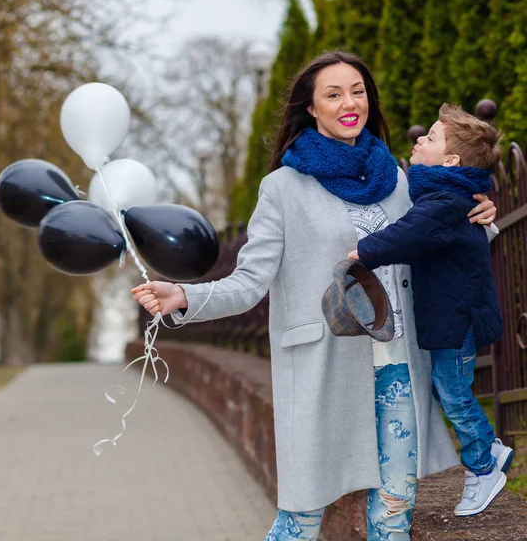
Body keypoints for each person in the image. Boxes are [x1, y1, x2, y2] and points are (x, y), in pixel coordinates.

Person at [132, 51, 497, 541]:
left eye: (358, 91)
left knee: (394, 515)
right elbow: (248, 284)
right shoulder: (282, 189)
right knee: (301, 518)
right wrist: (184, 296)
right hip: (323, 369)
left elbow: (442, 242)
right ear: (311, 107)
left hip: (399, 368)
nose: (350, 103)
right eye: (334, 94)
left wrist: (483, 219)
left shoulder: (399, 178)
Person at [348, 104, 513, 518]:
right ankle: (488, 447)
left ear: (452, 160)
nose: (419, 139)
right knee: (450, 389)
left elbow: (411, 233)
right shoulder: (445, 194)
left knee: (453, 392)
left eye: (432, 137)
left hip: (456, 319)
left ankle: (484, 466)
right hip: (452, 316)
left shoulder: (444, 199)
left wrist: (363, 252)